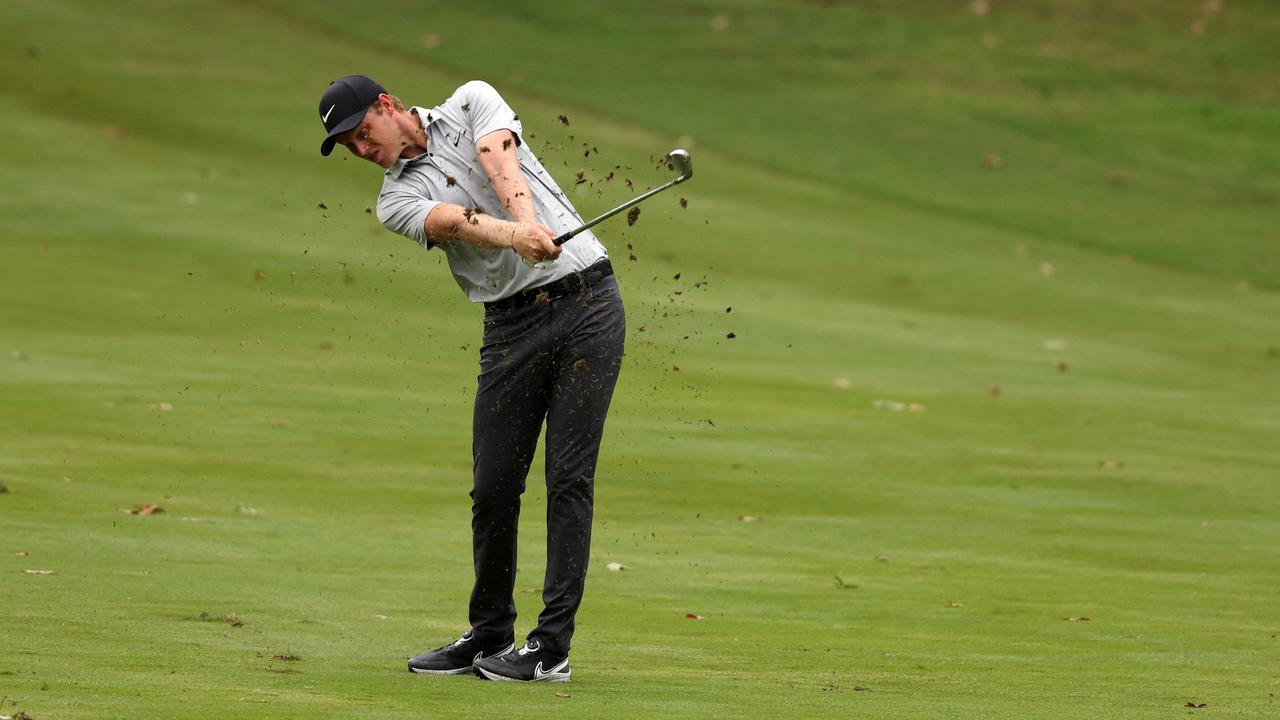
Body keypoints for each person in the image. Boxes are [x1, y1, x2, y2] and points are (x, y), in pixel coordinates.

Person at [316, 75, 625, 683]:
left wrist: (528, 220)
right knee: (492, 488)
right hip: (509, 329)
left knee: (567, 480)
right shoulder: (393, 202)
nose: (360, 149)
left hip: (587, 303)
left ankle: (551, 647)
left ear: (386, 105)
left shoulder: (470, 101)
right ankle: (489, 634)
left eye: (361, 133)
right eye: (347, 146)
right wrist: (517, 236)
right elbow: (455, 222)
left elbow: (498, 157)